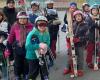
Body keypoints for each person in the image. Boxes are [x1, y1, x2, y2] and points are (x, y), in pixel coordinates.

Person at [4, 11, 33, 80]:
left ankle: (26, 74)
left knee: (27, 62)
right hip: (17, 47)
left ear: (27, 19)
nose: (22, 20)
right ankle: (17, 74)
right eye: (21, 18)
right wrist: (8, 48)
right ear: (18, 19)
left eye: (24, 18)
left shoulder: (31, 26)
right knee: (17, 63)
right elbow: (11, 37)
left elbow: (34, 36)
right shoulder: (15, 26)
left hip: (27, 48)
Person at [64, 10, 89, 77]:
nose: (78, 17)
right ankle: (68, 68)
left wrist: (79, 39)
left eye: (79, 16)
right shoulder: (73, 24)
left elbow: (87, 36)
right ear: (74, 18)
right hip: (72, 44)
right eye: (76, 16)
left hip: (81, 45)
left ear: (82, 17)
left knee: (80, 57)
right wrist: (68, 38)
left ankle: (80, 69)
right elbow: (69, 33)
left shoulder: (85, 25)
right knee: (70, 56)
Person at [25, 16, 50, 80]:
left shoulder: (46, 33)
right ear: (36, 25)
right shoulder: (32, 33)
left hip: (42, 55)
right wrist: (38, 46)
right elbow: (27, 46)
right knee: (33, 72)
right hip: (32, 56)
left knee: (44, 71)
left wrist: (45, 48)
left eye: (44, 24)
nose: (42, 26)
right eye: (40, 24)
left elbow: (48, 43)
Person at [63, 2, 78, 75]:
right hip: (69, 33)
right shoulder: (68, 13)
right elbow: (65, 21)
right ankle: (67, 67)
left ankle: (76, 67)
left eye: (74, 6)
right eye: (71, 7)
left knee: (77, 53)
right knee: (70, 52)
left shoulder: (78, 13)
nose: (73, 8)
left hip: (77, 34)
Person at [86, 4, 100, 69]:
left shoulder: (99, 17)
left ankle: (98, 62)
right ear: (91, 11)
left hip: (98, 37)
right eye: (93, 10)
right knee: (90, 50)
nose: (95, 11)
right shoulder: (88, 18)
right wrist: (94, 23)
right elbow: (88, 27)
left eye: (96, 10)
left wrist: (97, 24)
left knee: (98, 50)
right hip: (90, 37)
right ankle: (89, 62)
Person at [0, 11, 8, 79]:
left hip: (3, 46)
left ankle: (5, 76)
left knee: (3, 62)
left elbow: (9, 34)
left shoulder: (6, 24)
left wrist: (4, 38)